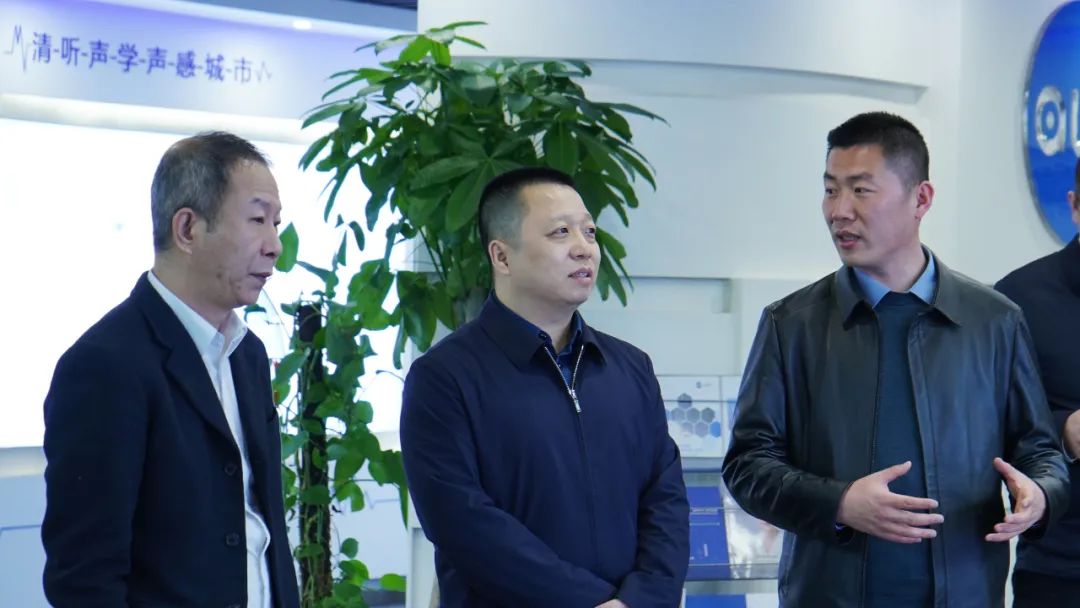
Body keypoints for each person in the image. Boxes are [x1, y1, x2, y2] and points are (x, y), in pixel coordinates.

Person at [722, 111, 1069, 607]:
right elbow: (747, 465)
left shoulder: (994, 320)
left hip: (966, 595)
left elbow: (1040, 450)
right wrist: (840, 503)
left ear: (920, 199)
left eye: (861, 191)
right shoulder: (791, 324)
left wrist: (1039, 494)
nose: (839, 211)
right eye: (830, 190)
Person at [400, 167, 690, 608]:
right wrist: (590, 603)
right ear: (502, 257)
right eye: (560, 232)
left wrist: (643, 598)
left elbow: (665, 498)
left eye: (589, 232)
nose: (584, 248)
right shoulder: (444, 377)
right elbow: (463, 524)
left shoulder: (631, 368)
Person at [41, 131, 300, 608]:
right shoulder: (104, 365)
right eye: (257, 219)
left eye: (276, 223)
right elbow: (84, 577)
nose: (275, 246)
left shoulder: (248, 355)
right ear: (187, 229)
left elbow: (260, 528)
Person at [995, 158, 1080, 607]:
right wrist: (1063, 428)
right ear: (1075, 206)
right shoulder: (1015, 302)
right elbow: (985, 420)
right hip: (1060, 568)